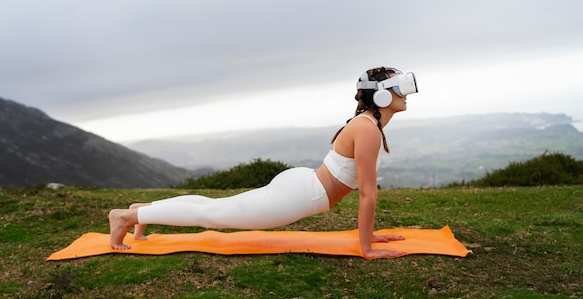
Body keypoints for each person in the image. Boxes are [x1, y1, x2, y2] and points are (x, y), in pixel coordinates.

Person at [109, 66, 418, 259]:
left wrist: (371, 235)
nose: (406, 94)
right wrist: (367, 248)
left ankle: (141, 212)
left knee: (213, 207)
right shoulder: (367, 130)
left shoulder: (368, 126)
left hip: (302, 189)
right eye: (399, 88)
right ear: (380, 97)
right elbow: (367, 194)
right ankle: (125, 216)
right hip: (299, 195)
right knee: (213, 214)